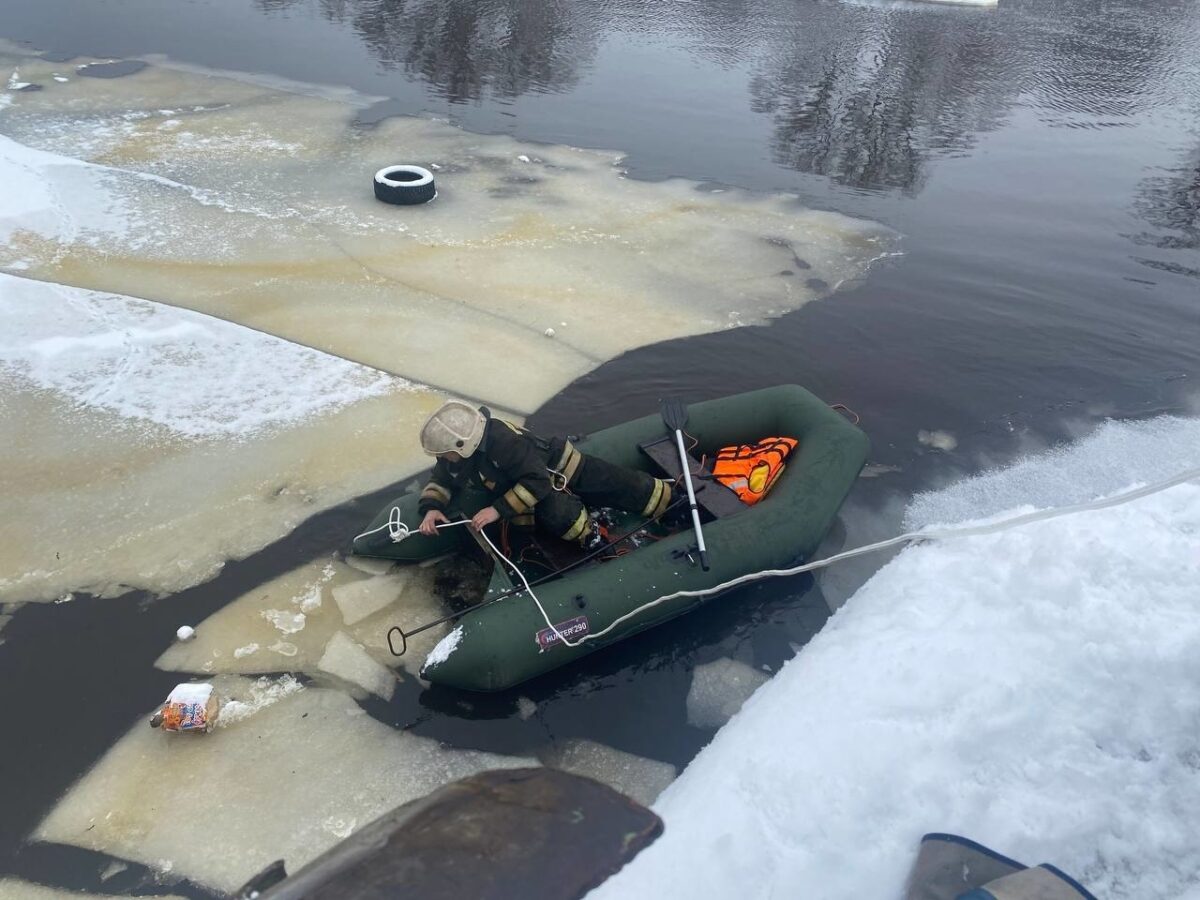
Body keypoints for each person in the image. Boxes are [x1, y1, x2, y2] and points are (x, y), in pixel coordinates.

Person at [416, 399, 674, 550]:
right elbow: (442, 477)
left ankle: (671, 504)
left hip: (559, 469)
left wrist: (496, 510)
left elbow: (537, 479)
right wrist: (431, 507)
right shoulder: (460, 456)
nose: (443, 458)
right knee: (558, 517)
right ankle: (589, 535)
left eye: (446, 454)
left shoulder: (504, 442)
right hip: (526, 483)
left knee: (615, 485)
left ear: (462, 445)